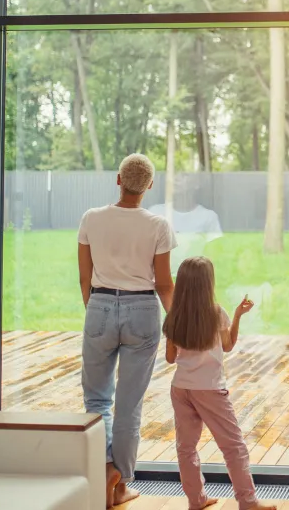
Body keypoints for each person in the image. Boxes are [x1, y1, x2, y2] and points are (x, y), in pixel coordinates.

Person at [79, 153, 176, 507]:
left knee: (97, 399)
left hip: (100, 305)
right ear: (149, 185)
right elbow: (165, 284)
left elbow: (84, 278)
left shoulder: (91, 218)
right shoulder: (158, 225)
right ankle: (120, 485)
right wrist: (177, 327)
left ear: (118, 180)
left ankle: (105, 468)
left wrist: (96, 309)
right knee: (129, 404)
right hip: (142, 310)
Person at [164, 256, 276, 510]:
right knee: (233, 447)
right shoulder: (217, 313)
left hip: (181, 388)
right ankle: (247, 502)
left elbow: (171, 358)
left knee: (186, 448)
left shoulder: (174, 316)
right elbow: (228, 345)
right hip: (210, 389)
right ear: (208, 284)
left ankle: (196, 500)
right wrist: (237, 316)